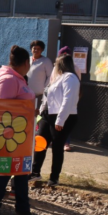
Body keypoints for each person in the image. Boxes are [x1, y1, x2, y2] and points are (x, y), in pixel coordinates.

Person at [0, 46, 36, 215]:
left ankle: (22, 207)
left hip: (22, 136)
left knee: (22, 172)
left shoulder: (19, 79)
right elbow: (1, 109)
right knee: (4, 172)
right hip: (9, 136)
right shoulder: (8, 79)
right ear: (25, 63)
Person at [31, 54, 80, 186]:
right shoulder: (57, 78)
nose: (54, 66)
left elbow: (67, 100)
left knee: (57, 147)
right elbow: (47, 97)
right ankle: (35, 172)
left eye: (56, 64)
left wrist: (60, 120)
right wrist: (40, 112)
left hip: (62, 116)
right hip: (47, 115)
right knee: (40, 142)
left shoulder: (70, 78)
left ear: (61, 64)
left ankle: (54, 177)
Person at [27, 40, 53, 110]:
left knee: (36, 116)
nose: (36, 50)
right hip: (26, 95)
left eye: (38, 49)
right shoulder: (27, 60)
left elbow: (50, 76)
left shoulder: (46, 61)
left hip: (38, 96)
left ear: (42, 50)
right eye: (34, 48)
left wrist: (45, 88)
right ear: (31, 49)